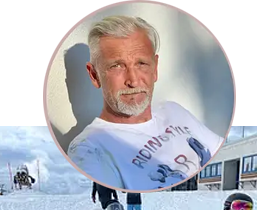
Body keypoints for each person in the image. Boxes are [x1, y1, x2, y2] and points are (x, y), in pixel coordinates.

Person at [67, 15, 224, 190]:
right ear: (94, 75)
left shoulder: (173, 110)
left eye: (141, 63)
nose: (133, 81)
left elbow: (223, 156)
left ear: (155, 69)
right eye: (117, 66)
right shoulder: (89, 149)